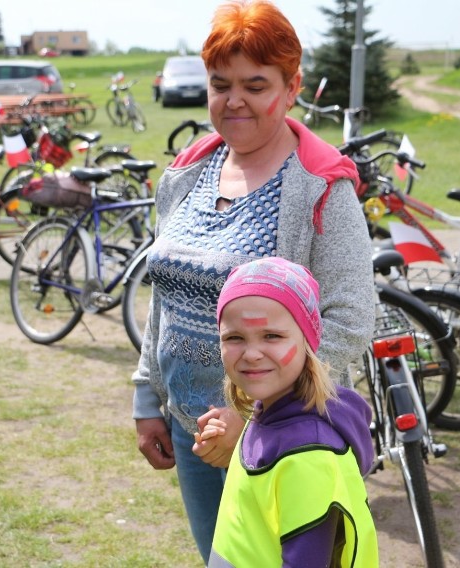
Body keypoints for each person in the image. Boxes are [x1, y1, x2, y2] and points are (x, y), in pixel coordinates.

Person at [131, 0, 375, 562]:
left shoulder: (319, 187)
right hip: (195, 429)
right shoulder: (190, 171)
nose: (234, 100)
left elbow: (349, 318)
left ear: (292, 89)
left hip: (280, 439)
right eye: (221, 85)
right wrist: (149, 394)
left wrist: (254, 409)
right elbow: (165, 296)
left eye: (255, 84)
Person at [202, 257, 377, 566]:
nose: (252, 354)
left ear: (309, 340)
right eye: (234, 338)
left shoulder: (308, 455)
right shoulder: (268, 410)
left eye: (272, 336)